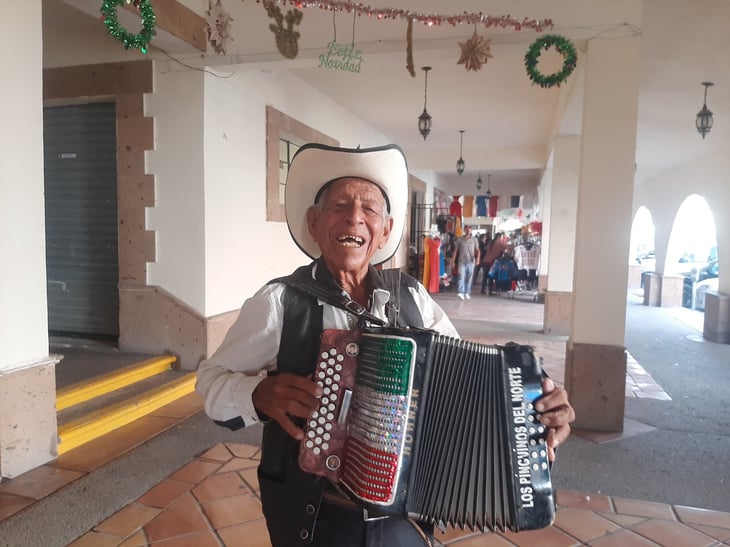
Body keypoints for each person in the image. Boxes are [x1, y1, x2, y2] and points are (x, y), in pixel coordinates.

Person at [195, 143, 575, 547]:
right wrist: (256, 393)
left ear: (385, 230)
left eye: (369, 209)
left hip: (404, 521)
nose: (354, 217)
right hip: (318, 521)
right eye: (339, 205)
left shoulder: (412, 296)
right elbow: (210, 383)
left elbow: (473, 381)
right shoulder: (281, 302)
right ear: (314, 221)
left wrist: (536, 407)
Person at [451, 225, 480, 300]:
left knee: (469, 277)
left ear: (471, 231)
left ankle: (467, 292)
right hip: (461, 261)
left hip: (471, 261)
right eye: (466, 229)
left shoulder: (474, 240)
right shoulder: (460, 239)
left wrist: (478, 259)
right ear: (464, 230)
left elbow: (477, 250)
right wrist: (453, 261)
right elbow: (456, 250)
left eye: (469, 229)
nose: (468, 231)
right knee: (461, 276)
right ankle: (461, 292)